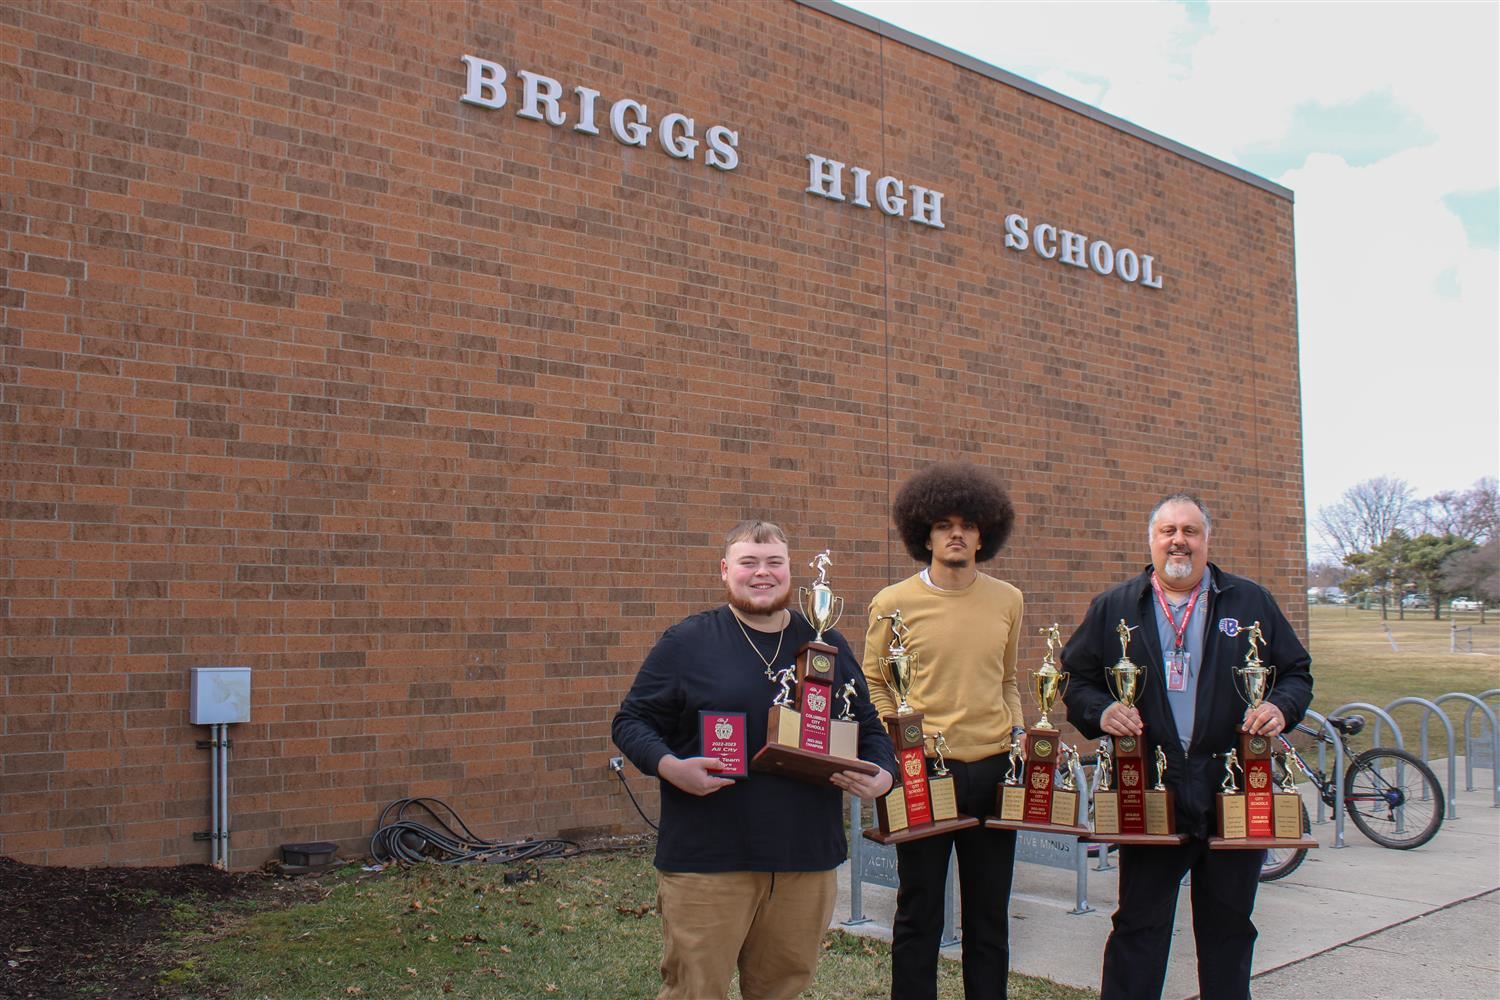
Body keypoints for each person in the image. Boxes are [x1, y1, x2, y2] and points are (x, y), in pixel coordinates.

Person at [612, 519, 897, 1000]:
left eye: (774, 563)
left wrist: (884, 773)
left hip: (804, 859)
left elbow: (867, 724)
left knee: (782, 991)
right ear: (725, 571)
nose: (761, 573)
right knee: (694, 992)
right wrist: (670, 767)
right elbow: (631, 722)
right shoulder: (687, 642)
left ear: (790, 571)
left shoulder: (827, 643)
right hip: (711, 859)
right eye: (748, 562)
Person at [1060, 492, 1313, 1000]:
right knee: (1138, 926)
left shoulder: (1249, 602)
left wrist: (1280, 707)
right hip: (1151, 790)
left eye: (1190, 531)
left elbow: (1296, 673)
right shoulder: (1115, 607)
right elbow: (1074, 679)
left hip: (1232, 788)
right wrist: (1101, 711)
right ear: (1151, 541)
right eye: (1168, 531)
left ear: (1206, 540)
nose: (1179, 540)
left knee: (1228, 928)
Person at [861, 462, 1025, 1000]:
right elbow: (874, 684)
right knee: (919, 909)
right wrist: (902, 744)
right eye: (943, 524)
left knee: (990, 915)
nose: (956, 533)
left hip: (995, 772)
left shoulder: (1009, 600)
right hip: (924, 774)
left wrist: (1022, 736)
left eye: (969, 524)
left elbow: (1009, 680)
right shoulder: (892, 603)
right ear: (923, 533)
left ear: (985, 534)